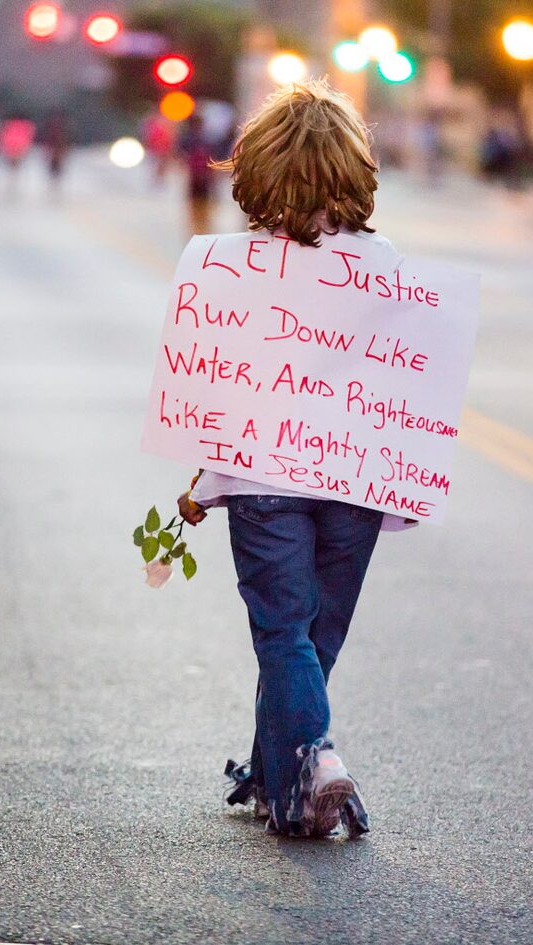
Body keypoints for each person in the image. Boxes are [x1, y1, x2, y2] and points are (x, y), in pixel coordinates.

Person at [175, 80, 408, 839]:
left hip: (263, 480)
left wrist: (205, 485)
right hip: (353, 479)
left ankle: (313, 759)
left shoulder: (235, 268)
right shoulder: (385, 264)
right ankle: (281, 778)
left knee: (283, 634)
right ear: (355, 169)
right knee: (316, 635)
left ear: (259, 169)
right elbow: (400, 383)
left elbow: (226, 387)